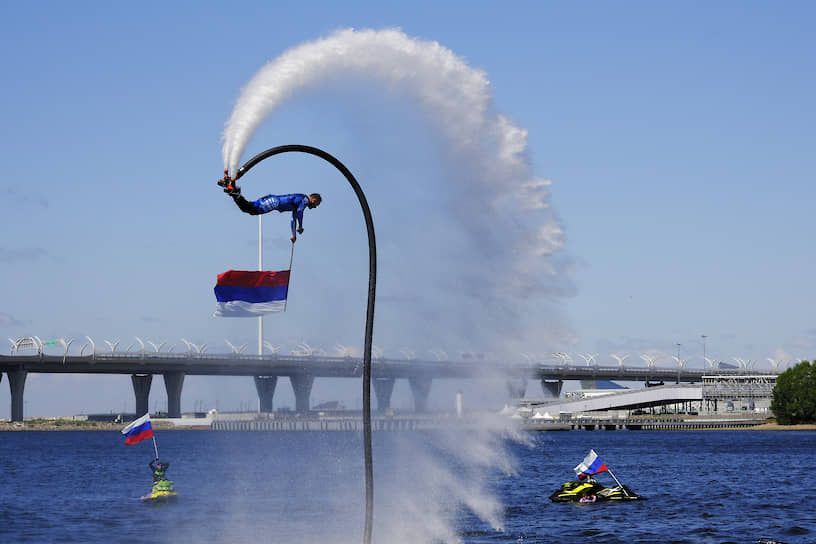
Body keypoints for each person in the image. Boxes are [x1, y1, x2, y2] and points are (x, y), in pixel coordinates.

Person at [218, 172, 321, 243]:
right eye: (317, 204)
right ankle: (235, 192)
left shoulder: (300, 202)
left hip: (273, 201)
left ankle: (234, 190)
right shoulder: (305, 200)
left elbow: (293, 219)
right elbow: (300, 212)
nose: (315, 207)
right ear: (314, 200)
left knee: (249, 207)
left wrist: (294, 234)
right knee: (250, 209)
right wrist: (301, 226)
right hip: (274, 202)